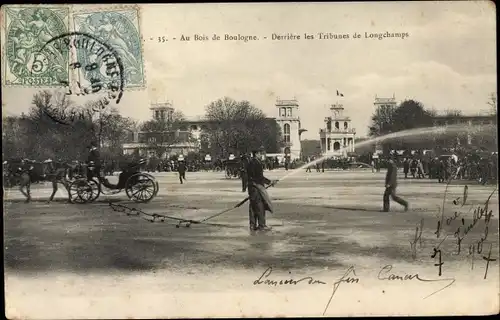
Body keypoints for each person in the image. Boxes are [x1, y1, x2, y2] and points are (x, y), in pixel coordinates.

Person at [246, 149, 276, 231]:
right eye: (260, 154)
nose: (261, 155)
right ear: (256, 154)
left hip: (251, 187)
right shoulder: (257, 163)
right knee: (260, 206)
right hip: (256, 187)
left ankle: (252, 225)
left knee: (252, 206)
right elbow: (259, 177)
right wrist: (270, 182)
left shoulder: (250, 162)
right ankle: (262, 225)